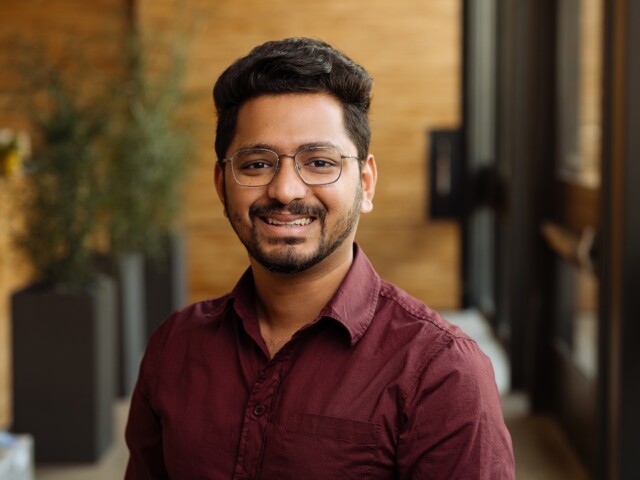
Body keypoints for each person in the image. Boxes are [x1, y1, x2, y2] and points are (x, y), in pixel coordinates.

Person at [124, 37, 515, 479]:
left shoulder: (443, 372)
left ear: (365, 184)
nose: (285, 190)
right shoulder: (174, 348)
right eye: (256, 164)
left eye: (320, 162)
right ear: (222, 184)